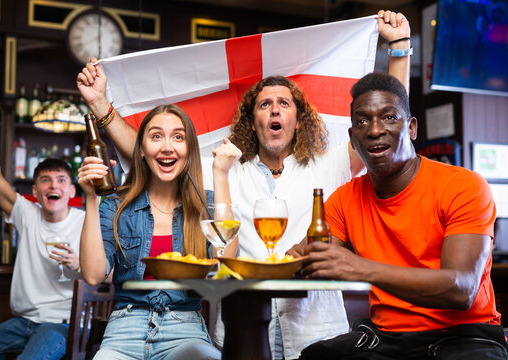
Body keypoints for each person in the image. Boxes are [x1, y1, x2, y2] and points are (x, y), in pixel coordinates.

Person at [76, 10, 411, 359]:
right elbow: (154, 151)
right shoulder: (227, 167)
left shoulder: (331, 164)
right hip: (243, 326)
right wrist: (100, 103)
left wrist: (400, 48)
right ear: (253, 121)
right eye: (265, 104)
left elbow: (389, 121)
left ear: (299, 118)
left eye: (285, 103)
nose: (275, 110)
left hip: (316, 329)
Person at [291, 72, 508, 359]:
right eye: (362, 121)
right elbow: (313, 257)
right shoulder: (344, 199)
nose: (375, 130)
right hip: (386, 338)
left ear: (412, 128)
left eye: (389, 117)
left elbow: (461, 290)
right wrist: (295, 260)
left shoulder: (462, 185)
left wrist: (359, 267)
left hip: (462, 337)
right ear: (353, 138)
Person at [77, 104, 240, 359]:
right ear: (141, 149)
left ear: (189, 150)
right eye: (156, 136)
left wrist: (221, 175)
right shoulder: (116, 204)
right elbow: (93, 274)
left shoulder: (205, 204)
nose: (167, 146)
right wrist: (90, 197)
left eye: (178, 137)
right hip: (124, 328)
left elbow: (226, 261)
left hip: (185, 328)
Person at [0, 110, 85, 360]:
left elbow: (105, 274)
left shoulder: (86, 222)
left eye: (61, 180)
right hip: (22, 322)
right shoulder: (27, 212)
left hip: (61, 324)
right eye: (46, 180)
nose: (54, 186)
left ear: (71, 190)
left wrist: (79, 264)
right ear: (35, 190)